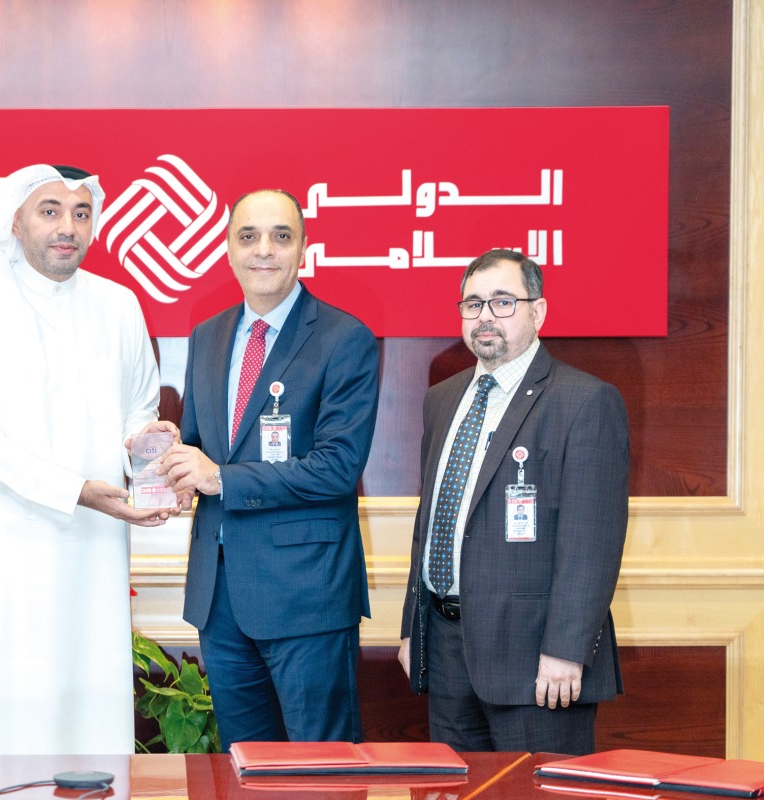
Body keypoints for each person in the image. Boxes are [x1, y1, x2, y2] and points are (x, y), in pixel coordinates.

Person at [0, 164, 173, 755]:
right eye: (50, 210)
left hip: (91, 552)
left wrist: (155, 458)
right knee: (2, 720)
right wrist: (76, 490)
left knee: (86, 715)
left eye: (81, 213)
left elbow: (138, 411)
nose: (68, 227)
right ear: (16, 220)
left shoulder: (119, 306)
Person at [154, 189, 379, 749]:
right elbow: (206, 449)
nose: (264, 250)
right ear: (228, 250)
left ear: (304, 249)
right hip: (220, 596)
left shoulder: (343, 338)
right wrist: (171, 458)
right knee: (246, 767)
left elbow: (337, 466)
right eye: (248, 236)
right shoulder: (207, 335)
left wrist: (219, 478)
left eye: (282, 236)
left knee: (321, 773)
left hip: (307, 596)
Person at [398, 248, 630, 755]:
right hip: (445, 648)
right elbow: (432, 520)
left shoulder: (585, 401)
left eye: (503, 302)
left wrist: (567, 651)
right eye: (473, 303)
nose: (485, 316)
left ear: (538, 312)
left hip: (537, 662)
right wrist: (412, 627)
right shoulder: (443, 398)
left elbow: (592, 542)